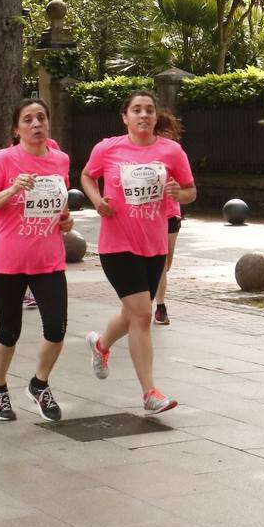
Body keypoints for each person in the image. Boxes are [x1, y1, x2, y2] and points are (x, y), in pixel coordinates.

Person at [81, 91, 195, 415]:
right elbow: (88, 175)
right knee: (143, 315)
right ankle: (150, 393)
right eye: (137, 110)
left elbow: (191, 190)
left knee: (132, 314)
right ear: (125, 117)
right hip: (117, 246)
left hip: (153, 244)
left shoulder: (171, 151)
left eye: (149, 110)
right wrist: (97, 200)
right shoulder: (108, 148)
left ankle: (101, 344)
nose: (143, 115)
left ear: (156, 117)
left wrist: (178, 193)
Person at [0, 100, 73, 423]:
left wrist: (65, 221)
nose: (36, 124)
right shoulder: (4, 160)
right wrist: (12, 189)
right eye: (28, 120)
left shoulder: (60, 160)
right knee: (9, 330)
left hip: (49, 258)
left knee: (57, 327)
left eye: (41, 118)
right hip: (8, 260)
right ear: (17, 129)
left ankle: (39, 383)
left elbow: (58, 207)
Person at [152, 113, 184, 326]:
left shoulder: (175, 153)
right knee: (160, 262)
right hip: (152, 215)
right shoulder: (146, 154)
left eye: (168, 132)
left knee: (167, 262)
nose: (165, 135)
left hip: (172, 213)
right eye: (160, 131)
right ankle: (160, 306)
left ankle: (154, 290)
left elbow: (187, 184)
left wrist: (179, 189)